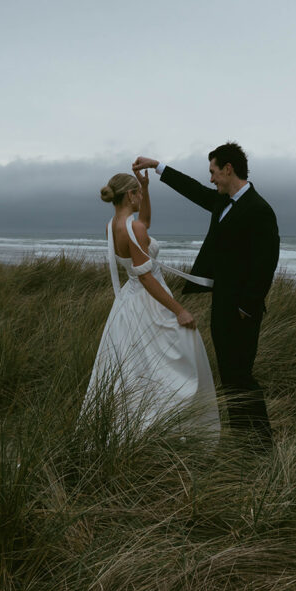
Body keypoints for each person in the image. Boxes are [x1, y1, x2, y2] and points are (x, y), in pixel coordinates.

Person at [132, 143, 280, 450]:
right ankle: (243, 438)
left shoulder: (260, 209)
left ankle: (262, 444)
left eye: (213, 172)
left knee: (241, 375)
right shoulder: (222, 202)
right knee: (229, 375)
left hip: (241, 310)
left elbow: (265, 264)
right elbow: (194, 191)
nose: (211, 179)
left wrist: (245, 308)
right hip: (222, 303)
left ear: (228, 169)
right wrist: (159, 166)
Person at [82, 169, 220, 436]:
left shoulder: (113, 225)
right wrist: (179, 310)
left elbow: (143, 224)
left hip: (127, 304)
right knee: (175, 358)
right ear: (131, 195)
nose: (141, 197)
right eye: (140, 193)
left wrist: (146, 187)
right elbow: (145, 277)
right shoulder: (133, 229)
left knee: (135, 365)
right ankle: (166, 424)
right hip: (147, 301)